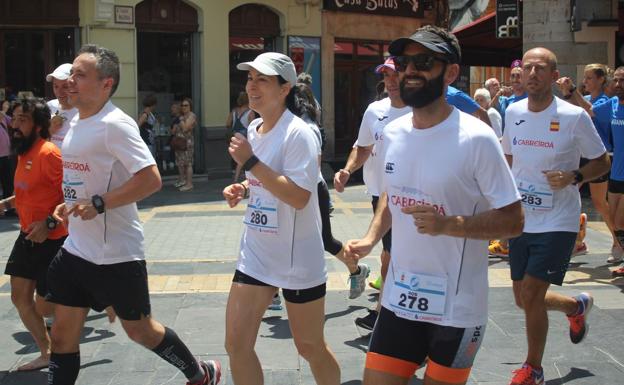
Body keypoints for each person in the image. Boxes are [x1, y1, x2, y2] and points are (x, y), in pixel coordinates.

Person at [345, 25, 523, 385]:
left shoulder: (477, 139)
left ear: (451, 72)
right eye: (404, 61)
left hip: (457, 311)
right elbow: (392, 200)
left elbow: (513, 221)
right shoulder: (392, 134)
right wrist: (370, 237)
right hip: (399, 301)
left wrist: (449, 226)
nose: (410, 70)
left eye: (423, 62)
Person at [47, 44, 220, 385]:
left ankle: (200, 373)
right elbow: (82, 176)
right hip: (76, 251)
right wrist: (68, 203)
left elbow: (150, 179)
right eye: (71, 74)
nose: (71, 81)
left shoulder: (116, 124)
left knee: (140, 331)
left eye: (80, 75)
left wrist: (99, 203)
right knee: (62, 336)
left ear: (106, 83)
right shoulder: (75, 121)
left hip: (117, 255)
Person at [223, 52, 340, 385]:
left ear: (285, 88)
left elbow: (300, 196)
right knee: (235, 344)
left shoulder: (298, 134)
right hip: (257, 253)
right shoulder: (254, 127)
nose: (252, 86)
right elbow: (265, 180)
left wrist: (251, 164)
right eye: (250, 79)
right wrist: (244, 188)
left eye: (262, 80)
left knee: (309, 346)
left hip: (296, 258)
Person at [501, 48, 610, 385]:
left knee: (532, 294)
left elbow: (602, 161)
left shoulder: (574, 116)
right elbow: (507, 159)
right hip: (521, 218)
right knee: (522, 298)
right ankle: (575, 307)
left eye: (540, 68)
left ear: (553, 74)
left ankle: (533, 368)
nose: (532, 73)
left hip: (558, 220)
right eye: (528, 67)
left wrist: (575, 177)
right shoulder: (514, 111)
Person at [334, 56, 411, 330]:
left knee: (394, 255)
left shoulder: (422, 111)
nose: (390, 81)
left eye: (395, 75)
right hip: (381, 195)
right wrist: (347, 170)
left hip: (411, 195)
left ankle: (385, 314)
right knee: (389, 254)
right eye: (386, 75)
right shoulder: (374, 110)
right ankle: (388, 312)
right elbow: (363, 146)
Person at [1, 98, 66, 371]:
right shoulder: (23, 153)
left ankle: (99, 296)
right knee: (19, 297)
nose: (15, 125)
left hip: (53, 238)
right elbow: (31, 191)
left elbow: (71, 196)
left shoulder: (49, 153)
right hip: (28, 236)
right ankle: (47, 352)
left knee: (47, 306)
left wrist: (49, 223)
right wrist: (7, 203)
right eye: (14, 119)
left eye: (22, 120)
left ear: (39, 126)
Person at [556, 63, 617, 259]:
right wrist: (567, 92)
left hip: (599, 158)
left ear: (600, 79)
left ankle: (618, 241)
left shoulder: (605, 102)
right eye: (585, 78)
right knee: (570, 194)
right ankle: (577, 241)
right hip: (581, 155)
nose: (585, 82)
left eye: (589, 78)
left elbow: (589, 110)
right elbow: (572, 109)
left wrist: (572, 91)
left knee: (600, 203)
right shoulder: (586, 98)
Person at [587, 67, 624, 277]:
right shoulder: (612, 104)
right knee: (616, 221)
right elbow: (588, 110)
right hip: (616, 173)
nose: (618, 85)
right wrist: (569, 92)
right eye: (616, 81)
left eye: (623, 81)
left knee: (619, 221)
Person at [46, 63, 78, 149]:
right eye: (56, 86)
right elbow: (37, 140)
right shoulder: (49, 107)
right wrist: (50, 130)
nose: (59, 92)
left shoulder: (84, 111)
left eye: (65, 87)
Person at [226, 91, 256, 182]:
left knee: (237, 157)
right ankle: (236, 178)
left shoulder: (234, 111)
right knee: (243, 157)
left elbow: (227, 123)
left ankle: (239, 176)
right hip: (245, 137)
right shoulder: (250, 112)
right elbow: (252, 127)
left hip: (233, 136)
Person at [172, 97, 196, 191]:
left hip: (187, 142)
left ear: (190, 106)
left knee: (188, 163)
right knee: (180, 163)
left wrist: (181, 120)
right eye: (182, 105)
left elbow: (185, 128)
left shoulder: (192, 116)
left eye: (186, 105)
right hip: (179, 141)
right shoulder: (180, 117)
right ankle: (183, 180)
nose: (184, 107)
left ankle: (189, 184)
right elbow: (174, 130)